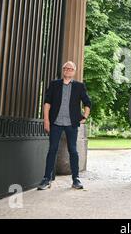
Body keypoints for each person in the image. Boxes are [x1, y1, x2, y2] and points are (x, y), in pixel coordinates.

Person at [37, 61, 91, 190]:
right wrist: (46, 120)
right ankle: (46, 179)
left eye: (70, 68)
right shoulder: (54, 84)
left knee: (73, 150)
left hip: (71, 124)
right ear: (63, 70)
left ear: (74, 71)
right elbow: (47, 103)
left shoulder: (79, 86)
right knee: (52, 150)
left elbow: (87, 102)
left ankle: (76, 179)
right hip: (55, 123)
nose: (67, 70)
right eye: (65, 68)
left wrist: (84, 117)